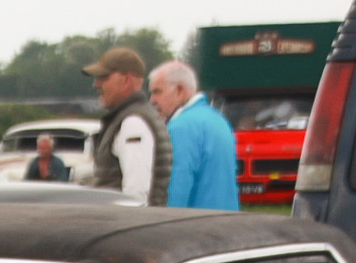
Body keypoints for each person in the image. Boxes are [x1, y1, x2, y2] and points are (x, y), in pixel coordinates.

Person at [81, 47, 170, 205]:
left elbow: (136, 194)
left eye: (103, 77)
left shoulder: (133, 122)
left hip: (128, 224)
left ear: (126, 80)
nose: (96, 84)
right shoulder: (136, 116)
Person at [149, 60, 241, 210]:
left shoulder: (180, 127)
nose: (152, 100)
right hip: (227, 221)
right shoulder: (218, 120)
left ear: (180, 90)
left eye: (157, 92)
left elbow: (176, 188)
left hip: (195, 225)